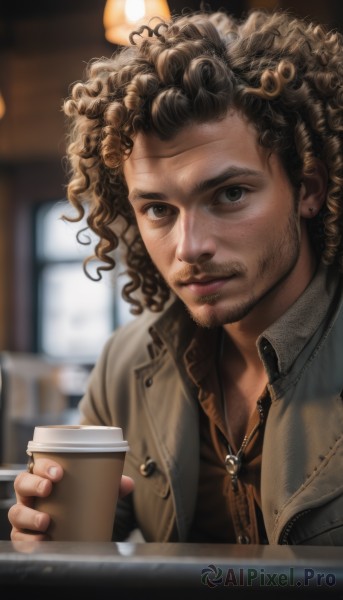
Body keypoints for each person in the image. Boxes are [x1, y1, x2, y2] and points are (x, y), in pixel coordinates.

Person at [8, 7, 343, 546]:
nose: (190, 248)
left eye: (230, 195)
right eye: (159, 209)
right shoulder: (125, 366)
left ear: (308, 189)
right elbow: (83, 549)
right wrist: (47, 540)